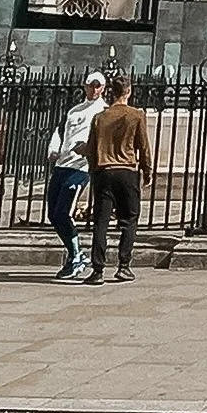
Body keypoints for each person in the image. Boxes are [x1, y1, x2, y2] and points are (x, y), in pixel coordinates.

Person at [83, 74, 152, 284]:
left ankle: (97, 270)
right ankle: (123, 265)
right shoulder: (136, 115)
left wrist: (94, 171)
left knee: (101, 222)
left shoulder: (100, 118)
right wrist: (147, 171)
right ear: (129, 91)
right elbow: (144, 146)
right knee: (129, 220)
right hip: (127, 171)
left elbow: (92, 149)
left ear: (111, 92)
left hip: (104, 170)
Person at [45, 69, 106, 280]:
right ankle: (75, 253)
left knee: (64, 211)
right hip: (63, 164)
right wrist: (54, 149)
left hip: (81, 167)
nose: (94, 89)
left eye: (98, 85)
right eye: (91, 85)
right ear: (85, 86)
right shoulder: (74, 111)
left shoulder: (103, 111)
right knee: (53, 213)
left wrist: (88, 150)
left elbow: (102, 138)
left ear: (103, 88)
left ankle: (75, 255)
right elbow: (60, 131)